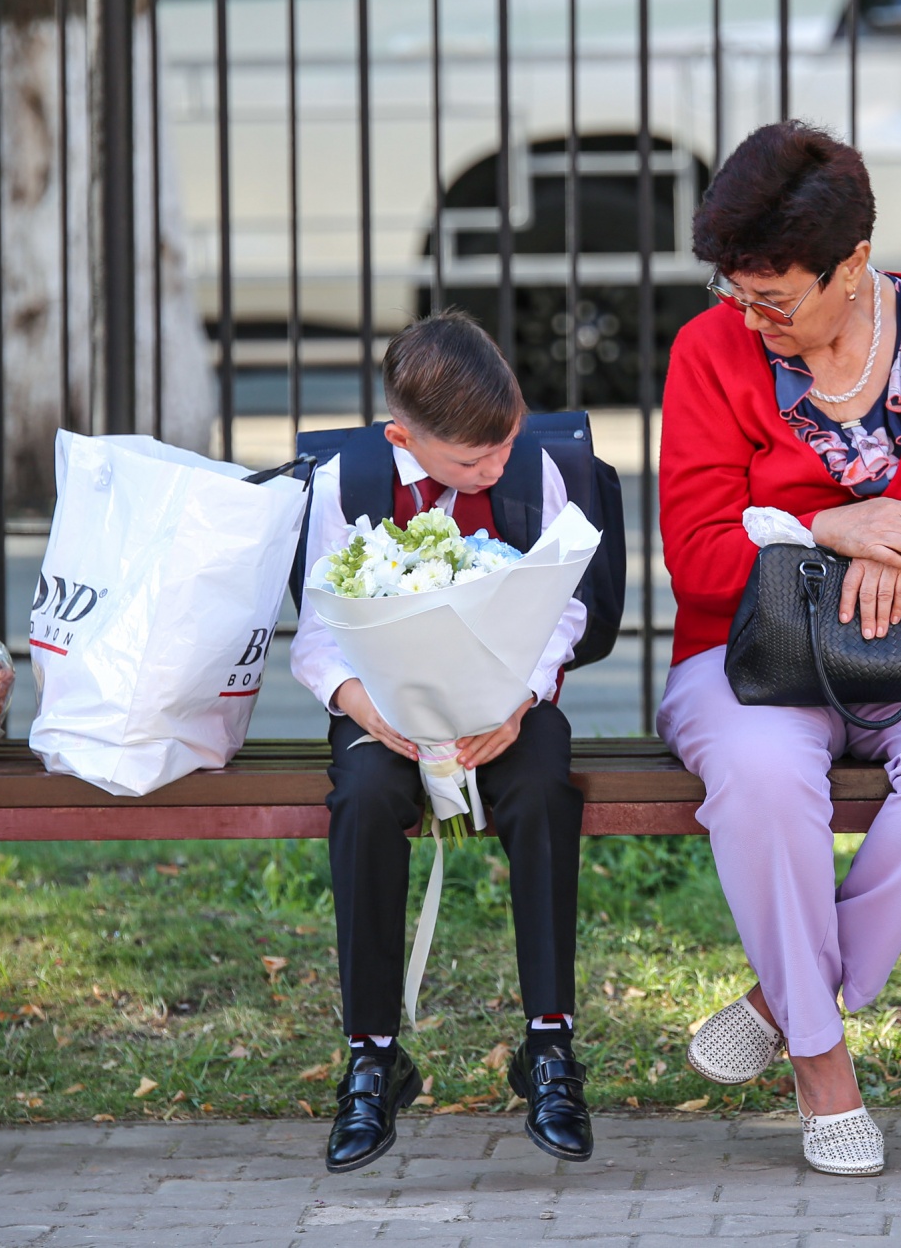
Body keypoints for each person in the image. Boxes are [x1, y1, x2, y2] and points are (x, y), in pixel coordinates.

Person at [657, 121, 901, 1177]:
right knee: (756, 774)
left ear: (854, 264)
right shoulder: (708, 350)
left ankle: (780, 996)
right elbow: (694, 557)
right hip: (748, 657)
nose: (751, 316)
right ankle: (822, 1061)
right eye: (735, 291)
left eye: (775, 297)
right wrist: (828, 527)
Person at [289, 310, 593, 1171]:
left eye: (505, 445)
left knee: (540, 792)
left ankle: (548, 1044)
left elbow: (563, 604)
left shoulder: (531, 469)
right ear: (402, 437)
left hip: (507, 710)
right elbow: (318, 631)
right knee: (367, 796)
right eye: (471, 461)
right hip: (384, 707)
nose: (494, 467)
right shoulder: (349, 486)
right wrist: (359, 702)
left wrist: (522, 699)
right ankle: (374, 1055)